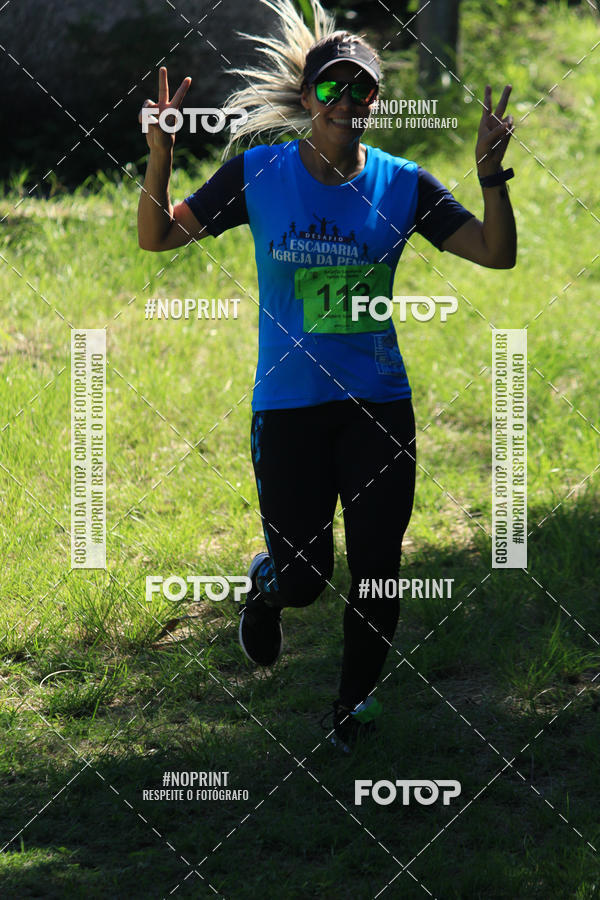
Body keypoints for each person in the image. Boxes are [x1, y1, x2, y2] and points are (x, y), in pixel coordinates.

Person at [137, 0, 516, 752]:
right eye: (332, 88)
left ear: (375, 99)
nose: (347, 102)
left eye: (362, 89)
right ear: (308, 97)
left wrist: (490, 175)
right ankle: (269, 585)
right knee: (306, 576)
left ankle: (353, 706)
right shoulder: (260, 174)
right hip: (289, 406)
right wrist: (160, 153)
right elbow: (157, 237)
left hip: (378, 405)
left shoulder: (404, 184)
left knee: (378, 565)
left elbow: (494, 253)